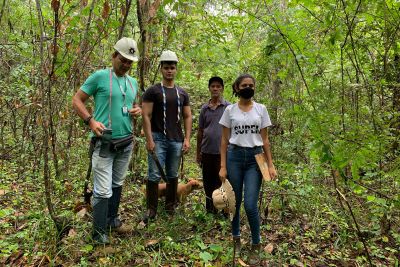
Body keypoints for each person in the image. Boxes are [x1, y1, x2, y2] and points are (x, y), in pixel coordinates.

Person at [72, 37, 141, 245]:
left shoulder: (133, 82)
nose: (126, 64)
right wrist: (90, 120)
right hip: (104, 142)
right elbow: (77, 100)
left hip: (126, 142)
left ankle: (111, 221)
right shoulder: (100, 77)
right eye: (123, 59)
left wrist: (135, 111)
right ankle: (98, 235)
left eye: (130, 61)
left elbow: (129, 105)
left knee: (117, 183)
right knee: (102, 190)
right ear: (114, 56)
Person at [219, 74, 277, 265]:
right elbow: (224, 141)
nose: (248, 88)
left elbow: (265, 139)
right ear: (236, 87)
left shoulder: (261, 109)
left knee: (251, 204)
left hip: (255, 159)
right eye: (244, 85)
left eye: (251, 85)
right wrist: (222, 166)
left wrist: (271, 164)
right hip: (234, 157)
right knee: (234, 202)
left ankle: (256, 244)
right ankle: (236, 237)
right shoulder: (229, 110)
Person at [141, 50, 192, 222]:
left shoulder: (182, 93)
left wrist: (187, 138)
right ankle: (151, 209)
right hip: (158, 138)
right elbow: (145, 115)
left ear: (176, 69)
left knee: (172, 173)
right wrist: (149, 139)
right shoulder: (152, 91)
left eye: (172, 68)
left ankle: (170, 206)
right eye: (166, 68)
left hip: (176, 139)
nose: (169, 71)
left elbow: (187, 116)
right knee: (154, 174)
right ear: (161, 69)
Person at [196, 76, 230, 214]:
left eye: (218, 86)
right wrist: (198, 153)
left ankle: (223, 210)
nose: (215, 89)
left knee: (221, 181)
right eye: (213, 86)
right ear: (209, 88)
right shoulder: (205, 108)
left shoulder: (228, 107)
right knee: (208, 182)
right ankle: (210, 210)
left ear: (222, 88)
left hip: (222, 153)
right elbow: (200, 131)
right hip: (207, 151)